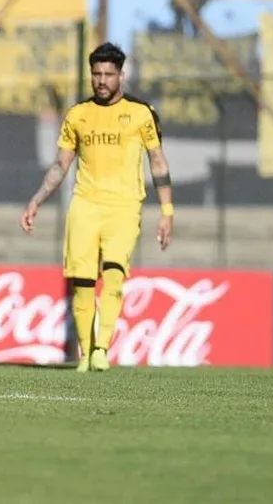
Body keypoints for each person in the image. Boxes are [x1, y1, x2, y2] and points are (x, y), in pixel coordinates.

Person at [20, 42, 174, 373]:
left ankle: (102, 347)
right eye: (96, 74)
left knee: (115, 274)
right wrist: (36, 200)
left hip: (124, 206)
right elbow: (60, 166)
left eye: (108, 74)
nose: (101, 80)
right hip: (85, 205)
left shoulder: (141, 113)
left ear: (121, 76)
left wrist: (167, 212)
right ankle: (85, 353)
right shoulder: (77, 115)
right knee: (83, 280)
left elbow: (158, 162)